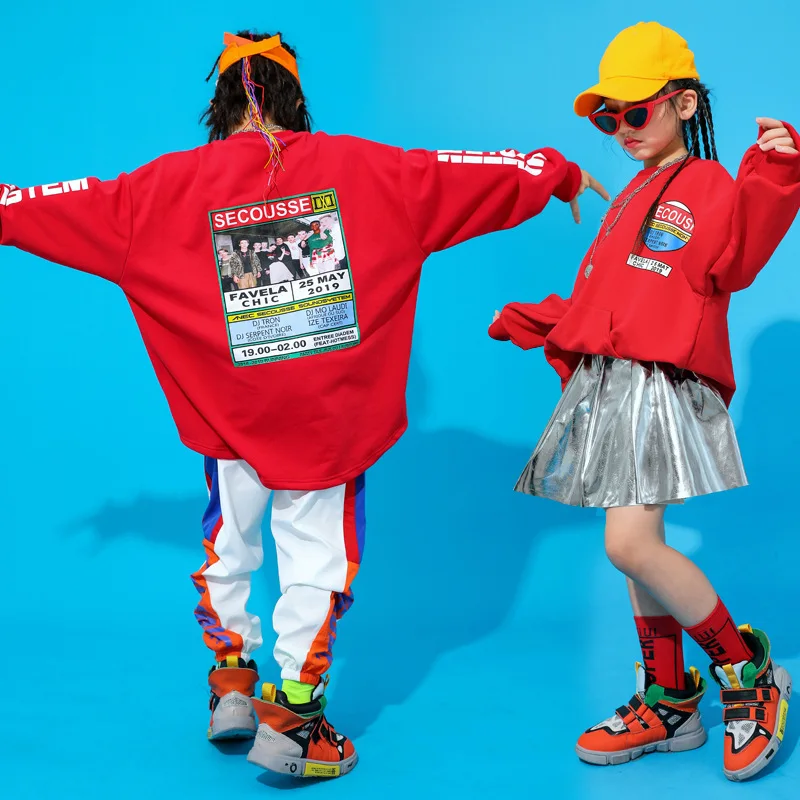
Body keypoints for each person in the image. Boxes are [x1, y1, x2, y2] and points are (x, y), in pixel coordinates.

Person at [0, 30, 605, 780]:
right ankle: (295, 722)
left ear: (221, 104)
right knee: (317, 562)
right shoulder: (370, 170)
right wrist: (555, 173)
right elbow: (471, 174)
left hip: (229, 422)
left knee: (228, 545)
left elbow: (48, 206)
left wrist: (125, 516)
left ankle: (231, 682)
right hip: (326, 428)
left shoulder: (158, 191)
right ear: (295, 100)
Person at [489, 22, 800, 782]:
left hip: (657, 382)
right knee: (637, 551)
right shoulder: (635, 190)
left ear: (684, 103)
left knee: (629, 544)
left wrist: (776, 169)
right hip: (616, 380)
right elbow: (619, 298)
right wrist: (552, 320)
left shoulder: (706, 184)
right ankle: (669, 699)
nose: (622, 129)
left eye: (636, 112)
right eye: (608, 119)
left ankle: (749, 673)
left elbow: (738, 258)